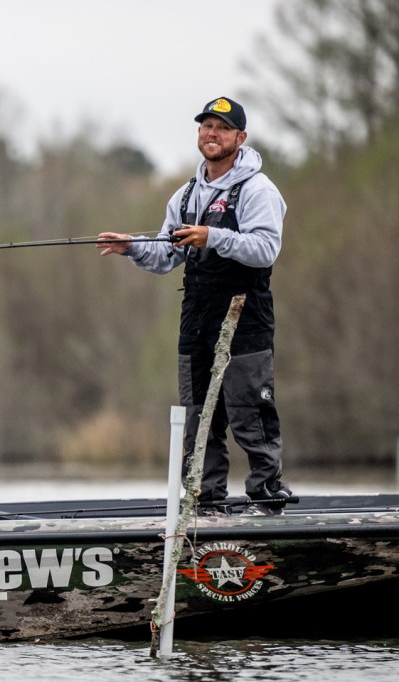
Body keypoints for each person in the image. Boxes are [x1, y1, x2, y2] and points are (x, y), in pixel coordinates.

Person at [96, 96, 291, 516]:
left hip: (245, 316)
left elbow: (265, 249)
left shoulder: (258, 189)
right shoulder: (185, 195)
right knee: (199, 416)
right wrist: (133, 246)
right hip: (196, 319)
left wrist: (211, 237)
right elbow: (167, 255)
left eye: (222, 128)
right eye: (206, 126)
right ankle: (206, 502)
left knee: (250, 412)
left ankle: (267, 498)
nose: (212, 134)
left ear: (240, 137)